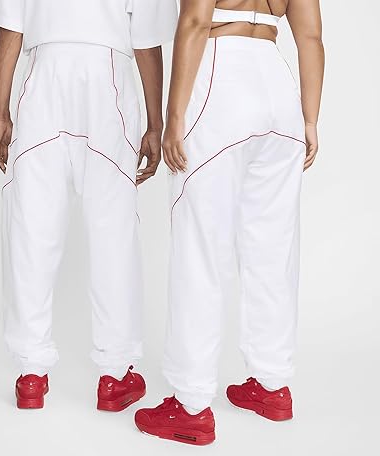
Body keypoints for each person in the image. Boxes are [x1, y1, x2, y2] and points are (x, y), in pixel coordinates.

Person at [135, 0, 324, 445]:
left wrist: (174, 117)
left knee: (200, 247)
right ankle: (272, 385)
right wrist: (310, 118)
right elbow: (311, 37)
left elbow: (196, 20)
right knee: (273, 248)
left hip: (220, 79)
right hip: (278, 88)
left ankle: (190, 405)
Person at [0, 0, 177, 410]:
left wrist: (1, 110)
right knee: (113, 228)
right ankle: (115, 375)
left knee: (31, 225)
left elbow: (11, 24)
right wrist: (155, 123)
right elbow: (145, 40)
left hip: (44, 73)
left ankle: (31, 374)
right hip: (108, 76)